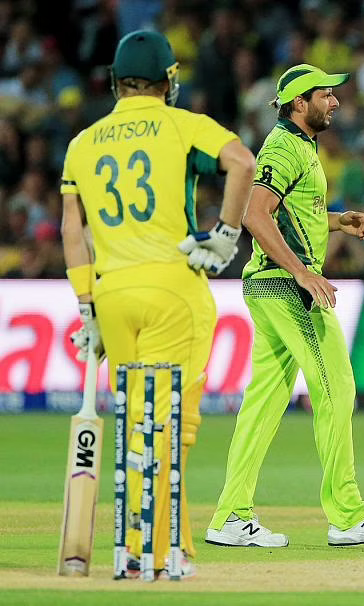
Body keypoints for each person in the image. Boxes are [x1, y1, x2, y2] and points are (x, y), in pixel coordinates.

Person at [61, 30, 255, 577]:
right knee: (171, 429)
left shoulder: (84, 142)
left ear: (115, 81)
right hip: (175, 287)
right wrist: (225, 234)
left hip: (113, 294)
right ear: (169, 79)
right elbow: (242, 162)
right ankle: (156, 550)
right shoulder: (182, 124)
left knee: (136, 427)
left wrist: (85, 305)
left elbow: (71, 229)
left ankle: (168, 547)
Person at [206, 64, 364, 547]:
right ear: (299, 103)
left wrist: (337, 222)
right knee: (336, 387)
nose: (335, 102)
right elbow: (254, 214)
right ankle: (348, 515)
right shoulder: (280, 147)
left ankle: (231, 516)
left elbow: (296, 212)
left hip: (270, 286)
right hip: (287, 288)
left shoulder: (301, 148)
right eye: (325, 95)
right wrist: (303, 272)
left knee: (263, 404)